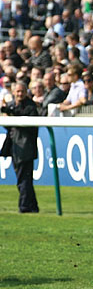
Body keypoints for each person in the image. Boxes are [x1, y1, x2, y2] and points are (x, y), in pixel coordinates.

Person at [0, 82, 40, 213]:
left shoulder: (30, 106)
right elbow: (10, 126)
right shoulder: (11, 106)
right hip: (14, 146)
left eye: (22, 91)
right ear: (13, 92)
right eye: (17, 92)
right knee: (24, 178)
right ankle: (33, 206)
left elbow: (28, 124)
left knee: (23, 179)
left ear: (26, 92)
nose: (20, 94)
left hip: (25, 147)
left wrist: (10, 113)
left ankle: (24, 207)